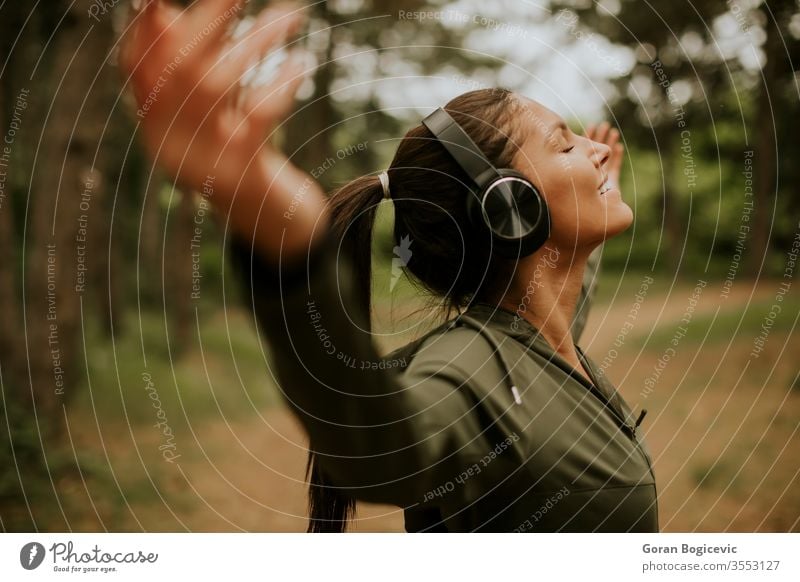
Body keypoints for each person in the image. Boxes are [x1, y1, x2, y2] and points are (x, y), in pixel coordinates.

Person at [121, 0, 658, 532]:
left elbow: (560, 297)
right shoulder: (470, 372)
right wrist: (281, 235)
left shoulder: (541, 338)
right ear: (509, 207)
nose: (598, 151)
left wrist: (587, 209)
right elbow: (382, 448)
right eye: (565, 145)